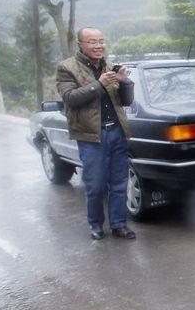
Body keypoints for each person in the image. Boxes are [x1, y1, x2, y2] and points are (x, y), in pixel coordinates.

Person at [56, 27, 136, 240]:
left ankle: (119, 225)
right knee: (96, 185)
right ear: (80, 44)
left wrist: (125, 82)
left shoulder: (109, 66)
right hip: (91, 135)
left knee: (119, 182)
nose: (99, 46)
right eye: (92, 42)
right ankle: (96, 224)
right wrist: (99, 84)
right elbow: (70, 98)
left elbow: (126, 101)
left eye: (101, 41)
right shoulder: (67, 68)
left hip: (117, 131)